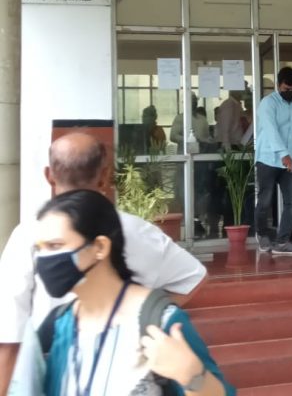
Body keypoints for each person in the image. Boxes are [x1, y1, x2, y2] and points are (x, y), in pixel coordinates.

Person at [0, 132, 207, 395]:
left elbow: (9, 332)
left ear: (49, 175)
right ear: (105, 175)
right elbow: (194, 278)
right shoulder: (139, 231)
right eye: (49, 248)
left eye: (56, 246)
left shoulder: (29, 234)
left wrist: (145, 312)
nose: (50, 255)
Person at [35, 189, 234, 395]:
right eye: (39, 248)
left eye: (55, 246)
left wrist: (191, 375)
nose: (43, 259)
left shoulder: (158, 322)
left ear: (100, 247)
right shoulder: (56, 326)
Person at [254, 66, 292, 256]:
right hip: (268, 158)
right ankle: (262, 235)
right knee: (265, 201)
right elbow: (271, 130)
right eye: (286, 89)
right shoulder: (268, 103)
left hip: (290, 160)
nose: (290, 93)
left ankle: (282, 241)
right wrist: (283, 154)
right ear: (278, 85)